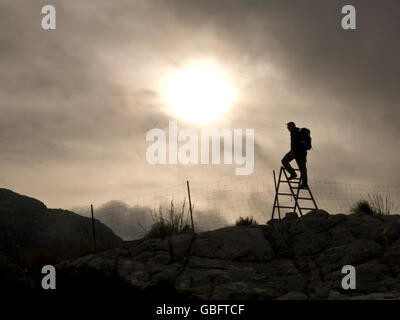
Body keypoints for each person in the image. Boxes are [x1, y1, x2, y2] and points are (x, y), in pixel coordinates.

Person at [281, 122, 308, 189]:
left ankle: (294, 174)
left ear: (292, 126)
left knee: (284, 161)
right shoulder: (296, 132)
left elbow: (296, 143)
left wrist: (294, 151)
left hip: (298, 153)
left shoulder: (295, 132)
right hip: (299, 152)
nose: (287, 128)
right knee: (303, 169)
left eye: (288, 127)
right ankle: (304, 184)